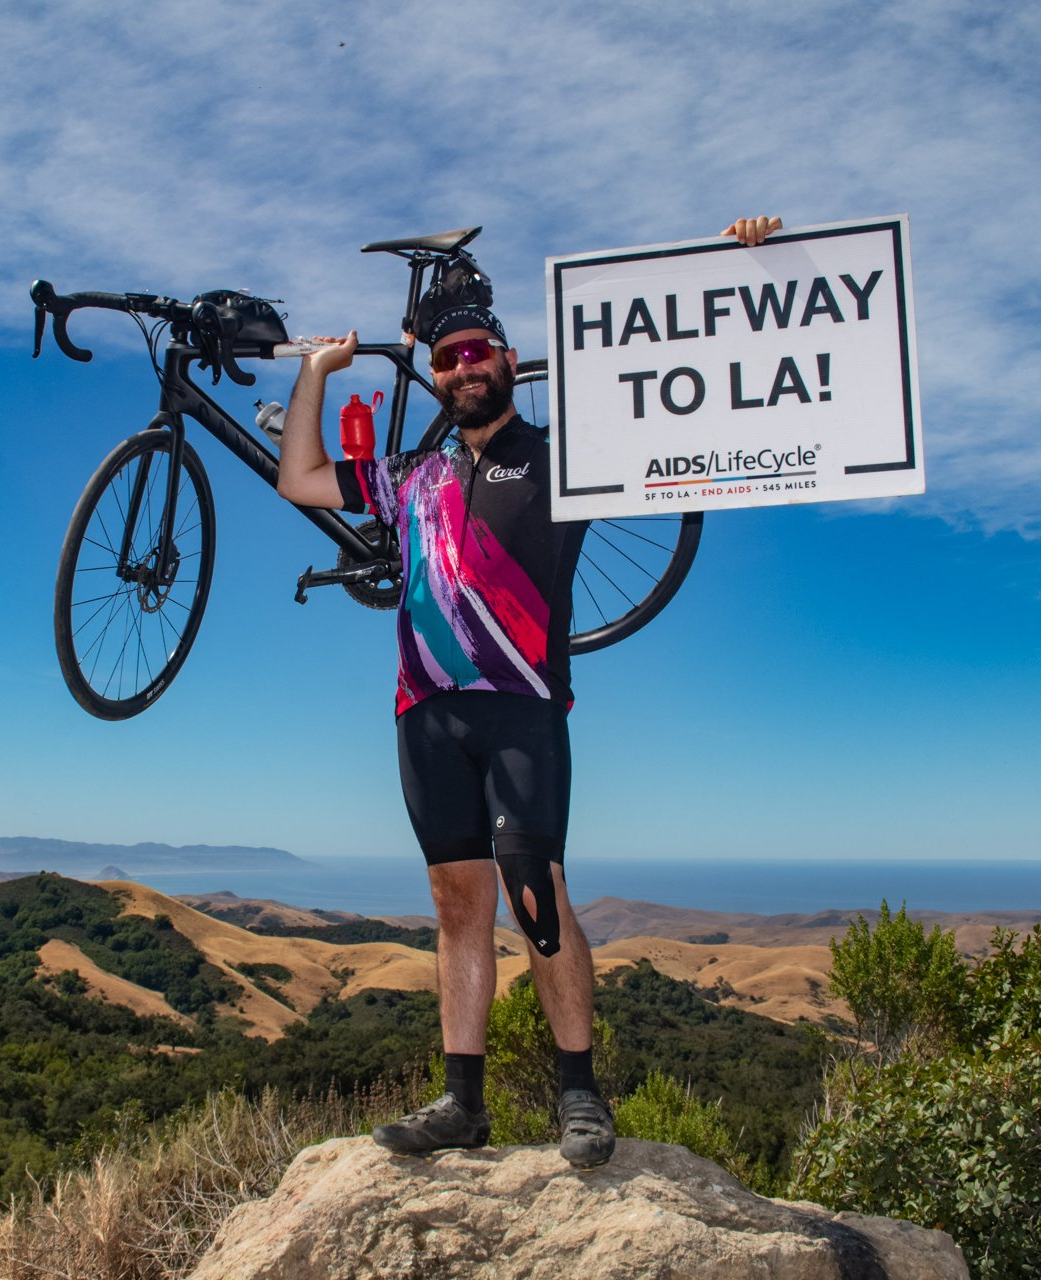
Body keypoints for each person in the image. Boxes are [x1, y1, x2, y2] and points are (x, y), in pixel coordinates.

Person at [277, 216, 784, 1168]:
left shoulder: (568, 461)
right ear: (436, 376)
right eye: (448, 358)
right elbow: (299, 479)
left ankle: (580, 1095)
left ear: (508, 361)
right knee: (455, 903)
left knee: (534, 893)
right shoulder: (411, 474)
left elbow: (687, 408)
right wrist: (315, 373)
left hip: (521, 706)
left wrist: (733, 270)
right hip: (423, 711)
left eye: (479, 352)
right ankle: (461, 1104)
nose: (464, 367)